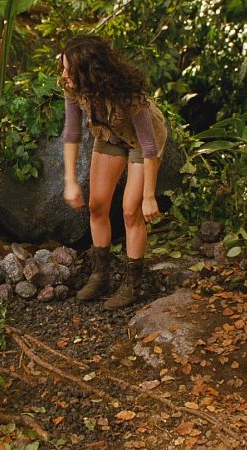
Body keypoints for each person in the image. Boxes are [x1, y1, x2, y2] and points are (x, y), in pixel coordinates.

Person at [58, 35, 168, 310]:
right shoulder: (74, 88)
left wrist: (149, 197)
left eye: (68, 69)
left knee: (131, 210)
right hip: (109, 136)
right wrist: (70, 181)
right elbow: (72, 133)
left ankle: (133, 284)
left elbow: (148, 147)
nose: (64, 75)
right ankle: (101, 275)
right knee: (97, 206)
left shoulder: (129, 94)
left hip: (142, 142)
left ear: (88, 72)